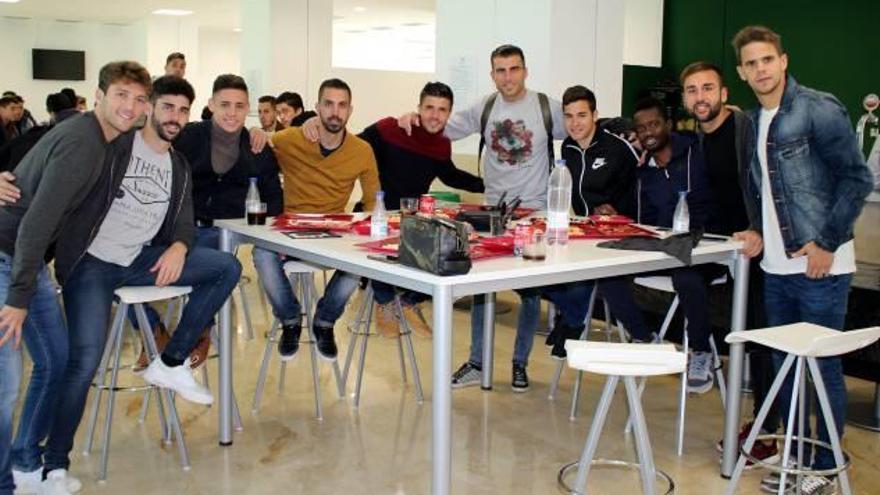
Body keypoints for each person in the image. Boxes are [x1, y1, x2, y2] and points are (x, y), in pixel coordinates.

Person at [731, 25, 872, 494]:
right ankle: (795, 456)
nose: (761, 70)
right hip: (776, 267)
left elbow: (856, 179)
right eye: (751, 63)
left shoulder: (818, 108)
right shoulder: (753, 121)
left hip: (821, 266)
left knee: (821, 367)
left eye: (767, 59)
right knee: (787, 366)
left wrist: (828, 243)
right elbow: (763, 191)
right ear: (742, 72)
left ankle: (825, 465)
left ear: (784, 60)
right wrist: (755, 229)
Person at [0, 60, 151, 495]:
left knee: (54, 362)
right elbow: (34, 225)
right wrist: (18, 297)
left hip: (23, 263)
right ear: (99, 96)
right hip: (9, 261)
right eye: (121, 95)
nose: (130, 105)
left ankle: (26, 466)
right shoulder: (83, 143)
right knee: (7, 385)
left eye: (139, 98)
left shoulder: (104, 139)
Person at [396, 45, 569, 391]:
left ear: (525, 70)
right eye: (500, 70)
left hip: (534, 212)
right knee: (480, 288)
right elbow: (440, 126)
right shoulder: (485, 107)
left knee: (530, 293)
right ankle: (477, 363)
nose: (508, 77)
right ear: (493, 75)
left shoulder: (545, 107)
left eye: (514, 69)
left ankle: (519, 364)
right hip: (492, 212)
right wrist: (409, 119)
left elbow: (582, 126)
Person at [133, 74, 284, 372]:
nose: (231, 112)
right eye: (224, 104)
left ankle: (195, 331)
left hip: (225, 232)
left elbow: (275, 203)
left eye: (239, 106)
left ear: (248, 109)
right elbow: (146, 139)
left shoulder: (257, 147)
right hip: (175, 226)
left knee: (210, 250)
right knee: (113, 259)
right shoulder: (187, 136)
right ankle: (154, 330)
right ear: (211, 105)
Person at [679, 60, 781, 466]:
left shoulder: (744, 129)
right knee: (683, 274)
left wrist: (757, 229)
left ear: (724, 94)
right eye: (691, 90)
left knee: (759, 339)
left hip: (759, 246)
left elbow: (769, 184)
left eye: (708, 88)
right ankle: (702, 354)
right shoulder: (698, 141)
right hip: (721, 246)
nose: (700, 97)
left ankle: (767, 433)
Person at [597, 97, 723, 395]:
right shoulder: (644, 174)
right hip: (664, 250)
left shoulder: (697, 152)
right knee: (607, 277)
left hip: (705, 249)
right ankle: (645, 339)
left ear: (667, 125)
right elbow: (643, 218)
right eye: (641, 129)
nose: (648, 132)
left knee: (686, 277)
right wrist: (616, 214)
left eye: (653, 124)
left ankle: (700, 351)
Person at [255, 78, 378, 363]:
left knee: (362, 259)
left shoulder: (362, 150)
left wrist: (370, 230)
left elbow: (373, 201)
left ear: (350, 110)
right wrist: (254, 130)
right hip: (290, 228)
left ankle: (324, 321)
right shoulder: (292, 139)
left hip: (333, 230)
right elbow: (261, 141)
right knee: (262, 254)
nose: (335, 111)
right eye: (328, 104)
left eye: (342, 105)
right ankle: (290, 319)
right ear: (317, 108)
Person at [353, 81, 484, 337]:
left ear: (449, 113)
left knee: (450, 257)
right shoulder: (390, 128)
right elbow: (354, 146)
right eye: (429, 108)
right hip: (379, 216)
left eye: (442, 110)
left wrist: (486, 183)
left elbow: (449, 175)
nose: (435, 115)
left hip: (413, 220)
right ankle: (385, 303)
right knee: (383, 251)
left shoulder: (441, 145)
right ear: (419, 108)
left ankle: (408, 303)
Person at [1, 92, 79, 172]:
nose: (17, 112)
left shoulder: (22, 124)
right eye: (13, 108)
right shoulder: (81, 124)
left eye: (20, 108)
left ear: (50, 112)